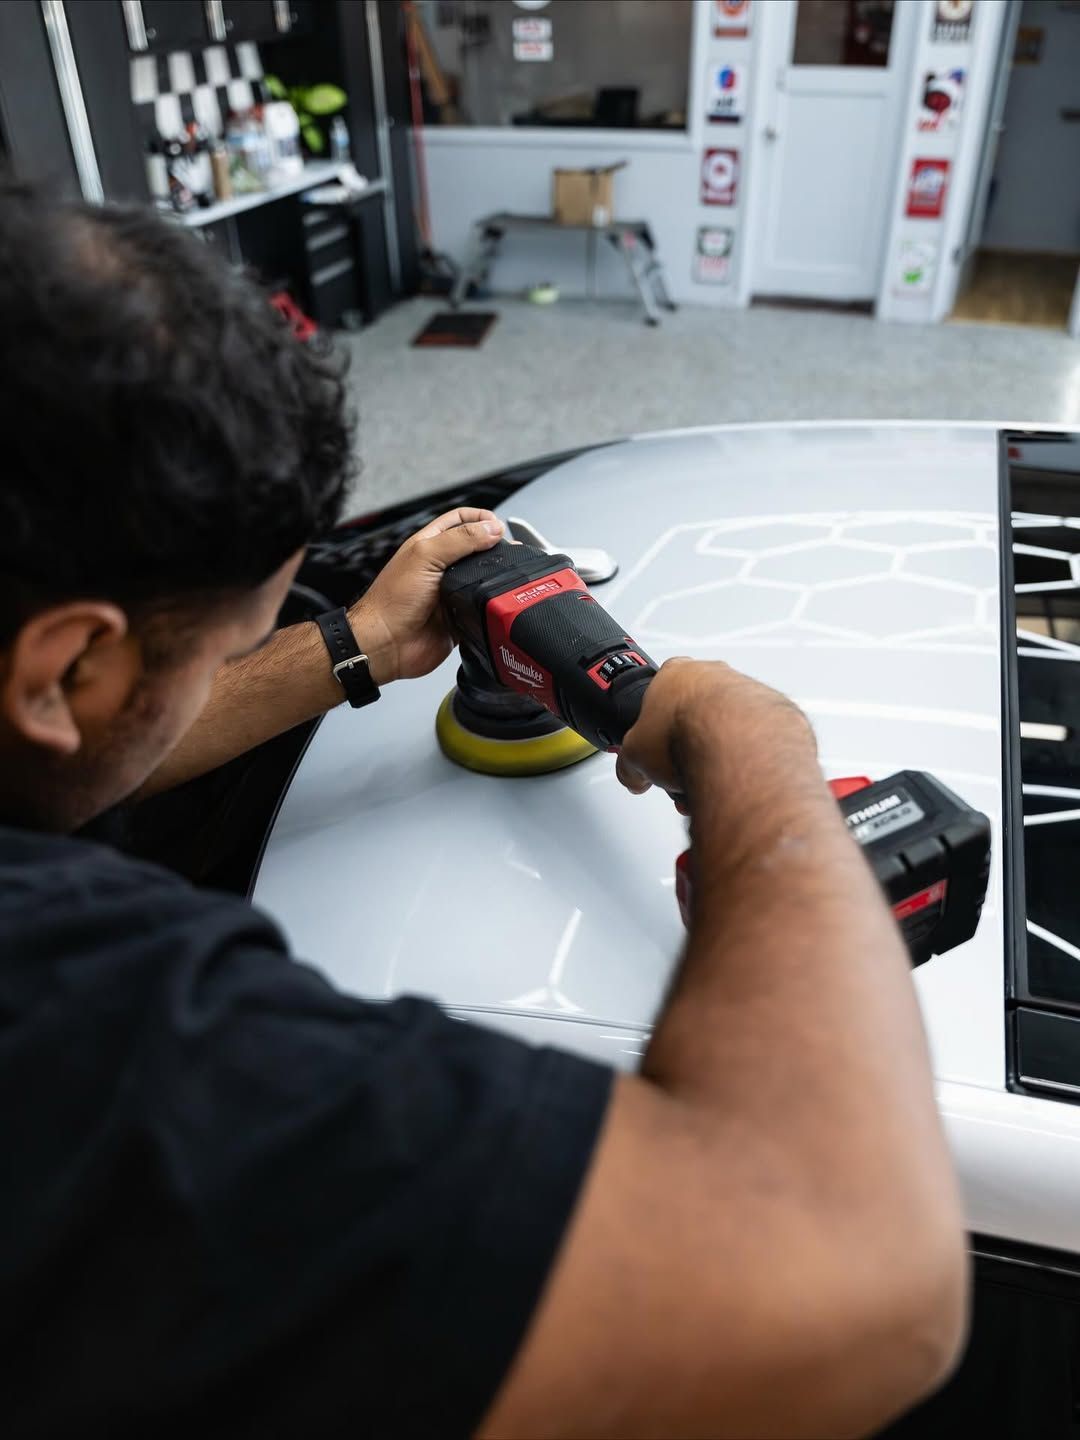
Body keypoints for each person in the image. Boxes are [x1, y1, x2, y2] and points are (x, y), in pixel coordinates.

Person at [0, 185, 967, 1439]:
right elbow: (859, 1279)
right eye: (225, 645)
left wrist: (352, 646)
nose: (240, 664)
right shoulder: (63, 1021)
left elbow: (90, 726)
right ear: (62, 669)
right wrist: (754, 751)